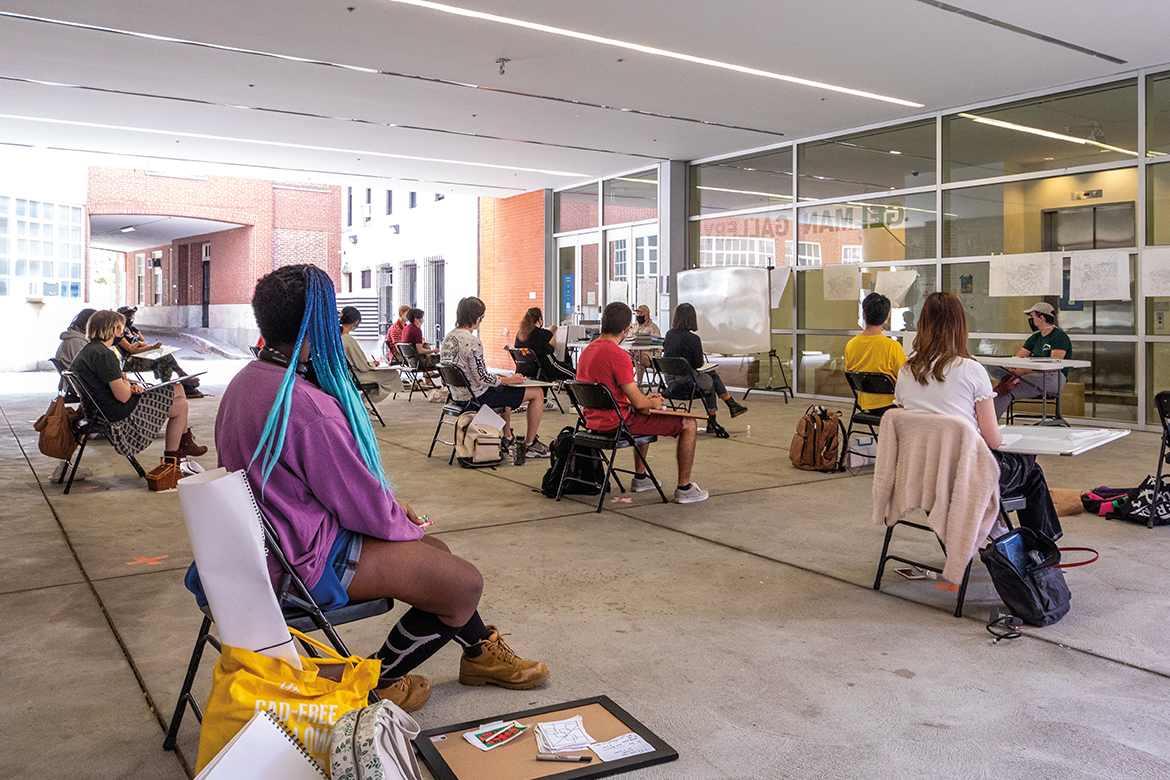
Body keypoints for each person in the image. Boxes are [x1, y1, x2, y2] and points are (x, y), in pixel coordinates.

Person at [210, 265, 547, 712]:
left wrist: (394, 513)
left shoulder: (248, 381)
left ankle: (477, 652)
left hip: (266, 545)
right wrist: (399, 517)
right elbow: (361, 508)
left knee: (438, 556)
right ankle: (371, 682)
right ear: (320, 321)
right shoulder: (307, 406)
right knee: (463, 585)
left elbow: (332, 488)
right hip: (302, 560)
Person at [894, 292, 1062, 540]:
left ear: (922, 326)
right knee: (1030, 470)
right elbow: (993, 440)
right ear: (961, 326)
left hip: (921, 474)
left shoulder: (906, 370)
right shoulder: (971, 369)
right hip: (964, 476)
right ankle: (1038, 549)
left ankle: (995, 525)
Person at [577, 302, 708, 504]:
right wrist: (652, 402)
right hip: (617, 423)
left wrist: (647, 401)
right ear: (627, 329)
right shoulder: (619, 356)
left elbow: (618, 394)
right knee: (688, 423)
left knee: (645, 412)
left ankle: (642, 477)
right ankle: (684, 488)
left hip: (592, 422)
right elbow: (639, 403)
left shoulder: (586, 353)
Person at [70, 309, 207, 462]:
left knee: (178, 388)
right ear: (113, 329)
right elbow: (123, 396)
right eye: (120, 329)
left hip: (98, 409)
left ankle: (185, 443)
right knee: (181, 406)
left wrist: (127, 383)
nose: (121, 333)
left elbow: (113, 385)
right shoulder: (104, 355)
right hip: (117, 413)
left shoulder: (89, 351)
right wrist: (129, 386)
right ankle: (172, 460)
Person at [441, 297, 550, 459]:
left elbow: (468, 373)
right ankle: (530, 444)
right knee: (537, 392)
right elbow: (482, 379)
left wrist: (499, 378)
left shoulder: (448, 339)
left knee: (504, 389)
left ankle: (507, 437)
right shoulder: (472, 341)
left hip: (458, 396)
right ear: (478, 318)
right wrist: (509, 379)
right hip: (477, 398)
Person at [662, 302, 748, 438]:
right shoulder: (694, 339)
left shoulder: (669, 334)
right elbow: (697, 364)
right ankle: (720, 412)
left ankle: (727, 408)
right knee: (711, 378)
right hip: (687, 384)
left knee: (709, 378)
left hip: (671, 382)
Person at [992, 302, 1072, 420]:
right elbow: (1019, 358)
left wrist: (1024, 371)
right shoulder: (1035, 338)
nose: (1030, 320)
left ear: (1042, 317)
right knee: (998, 376)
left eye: (1032, 316)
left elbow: (1054, 365)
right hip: (1032, 376)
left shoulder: (1059, 336)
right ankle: (986, 425)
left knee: (1005, 390)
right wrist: (1015, 368)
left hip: (1052, 377)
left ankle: (987, 428)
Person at [51, 308, 98, 482]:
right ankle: (65, 467)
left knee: (82, 421)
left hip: (78, 388)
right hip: (87, 391)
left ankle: (65, 466)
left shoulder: (70, 339)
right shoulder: (80, 343)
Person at [115, 306, 203, 398]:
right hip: (130, 362)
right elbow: (130, 349)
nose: (131, 317)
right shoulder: (119, 332)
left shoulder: (133, 329)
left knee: (164, 360)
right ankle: (176, 381)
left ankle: (175, 384)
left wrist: (139, 344)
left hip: (140, 356)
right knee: (164, 359)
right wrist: (148, 346)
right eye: (129, 315)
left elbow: (144, 343)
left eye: (132, 315)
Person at [844, 293, 907, 411]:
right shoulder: (892, 346)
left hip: (863, 404)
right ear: (887, 317)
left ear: (864, 315)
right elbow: (904, 377)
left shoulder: (851, 345)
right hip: (890, 404)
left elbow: (850, 373)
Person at [340, 306, 403, 402]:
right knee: (393, 376)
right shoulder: (347, 340)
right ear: (355, 322)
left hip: (346, 374)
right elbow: (363, 366)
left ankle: (365, 402)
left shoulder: (337, 338)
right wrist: (373, 364)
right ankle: (367, 403)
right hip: (355, 375)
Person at [515, 307, 574, 381]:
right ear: (540, 319)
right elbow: (553, 347)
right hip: (546, 369)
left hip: (524, 370)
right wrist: (551, 333)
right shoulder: (544, 334)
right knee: (575, 375)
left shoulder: (520, 335)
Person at [628, 304, 660, 385]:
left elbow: (656, 344)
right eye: (638, 314)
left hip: (649, 353)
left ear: (647, 315)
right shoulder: (634, 326)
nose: (639, 316)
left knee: (639, 357)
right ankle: (625, 382)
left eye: (641, 314)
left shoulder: (653, 328)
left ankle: (638, 384)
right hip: (634, 351)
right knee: (621, 355)